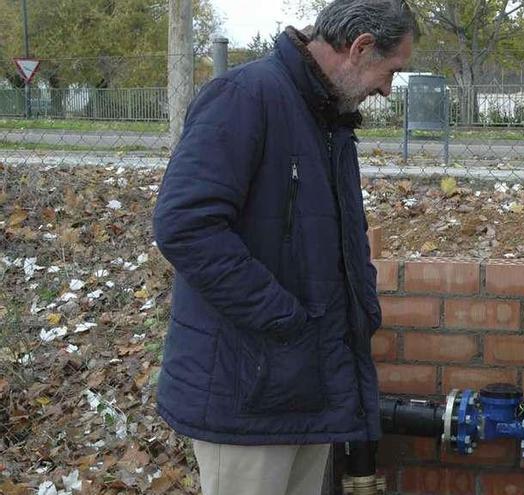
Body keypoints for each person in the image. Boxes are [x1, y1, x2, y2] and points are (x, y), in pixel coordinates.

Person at [151, 1, 417, 493]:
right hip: (247, 387)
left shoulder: (327, 117)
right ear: (360, 48)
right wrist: (285, 321)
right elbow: (185, 225)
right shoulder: (245, 97)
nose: (387, 88)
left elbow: (335, 240)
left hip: (305, 380)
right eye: (390, 70)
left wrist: (358, 316)